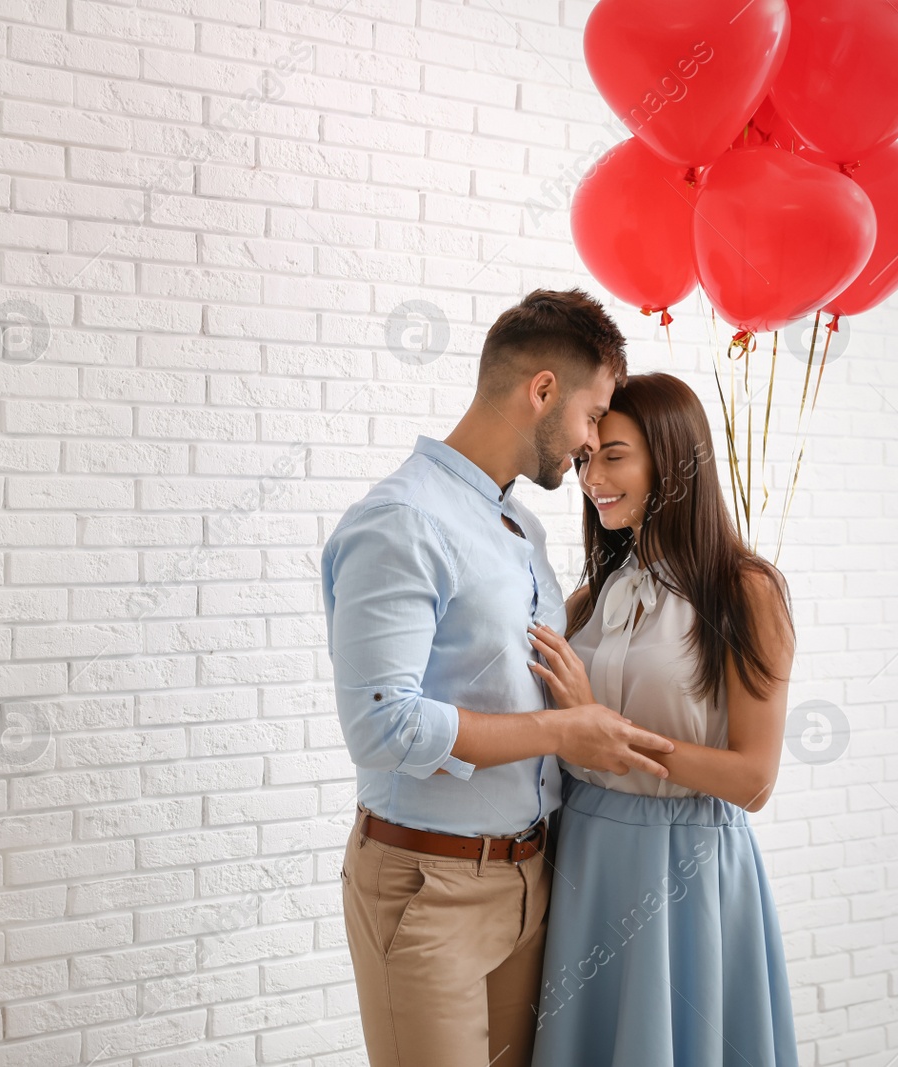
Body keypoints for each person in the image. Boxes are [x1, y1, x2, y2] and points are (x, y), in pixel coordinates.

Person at [322, 289, 679, 1067]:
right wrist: (563, 730)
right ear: (542, 390)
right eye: (592, 416)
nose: (590, 444)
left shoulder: (521, 527)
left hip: (531, 879)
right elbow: (383, 725)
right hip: (429, 888)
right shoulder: (403, 520)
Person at [525, 372, 801, 1067]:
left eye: (614, 455)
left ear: (673, 459)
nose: (593, 477)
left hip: (686, 868)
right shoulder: (590, 598)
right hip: (586, 854)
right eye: (587, 457)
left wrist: (603, 730)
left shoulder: (745, 590)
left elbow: (754, 779)